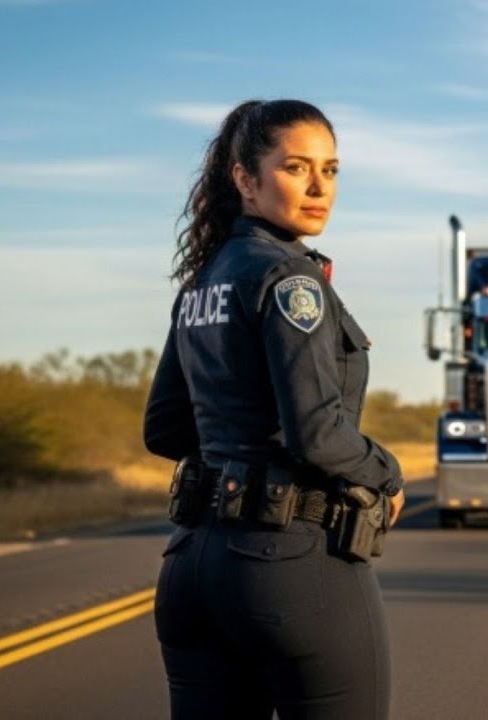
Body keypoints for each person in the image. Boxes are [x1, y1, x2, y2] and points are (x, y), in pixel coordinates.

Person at [143, 99, 405, 719]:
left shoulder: (202, 283)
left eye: (331, 170)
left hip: (191, 568)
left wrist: (235, 442)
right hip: (287, 568)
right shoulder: (292, 280)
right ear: (245, 179)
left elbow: (164, 429)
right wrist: (386, 473)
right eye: (296, 168)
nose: (319, 188)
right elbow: (316, 433)